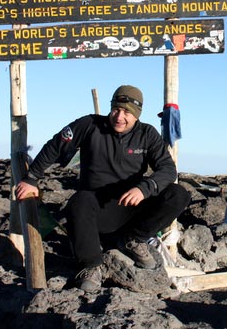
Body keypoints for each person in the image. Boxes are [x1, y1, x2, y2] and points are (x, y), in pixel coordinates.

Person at [15, 84, 191, 292]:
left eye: (127, 112)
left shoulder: (147, 134)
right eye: (116, 109)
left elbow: (168, 170)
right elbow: (55, 146)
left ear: (137, 115)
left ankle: (134, 239)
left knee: (179, 194)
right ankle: (91, 266)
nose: (119, 116)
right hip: (97, 210)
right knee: (78, 201)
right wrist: (31, 178)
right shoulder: (89, 124)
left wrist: (144, 188)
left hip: (131, 207)